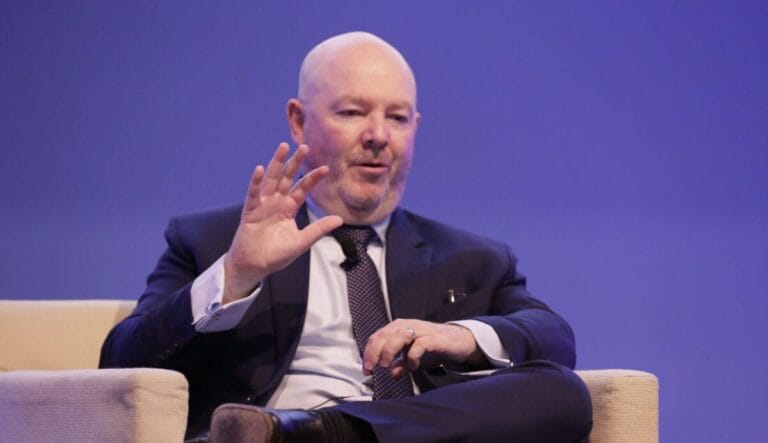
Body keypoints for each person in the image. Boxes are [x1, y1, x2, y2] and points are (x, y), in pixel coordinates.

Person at [100, 31, 592, 443]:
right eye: (353, 112)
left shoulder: (472, 259)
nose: (378, 135)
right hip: (269, 424)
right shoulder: (212, 241)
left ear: (415, 128)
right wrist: (235, 276)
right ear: (299, 121)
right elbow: (122, 365)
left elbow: (555, 338)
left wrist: (461, 336)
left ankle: (328, 433)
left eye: (397, 117)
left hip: (408, 437)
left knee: (563, 392)